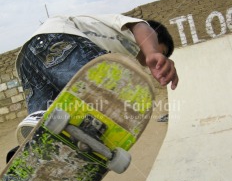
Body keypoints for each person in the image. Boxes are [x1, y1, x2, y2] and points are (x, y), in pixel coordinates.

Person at [16, 14, 179, 114]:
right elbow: (141, 25)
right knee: (120, 91)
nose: (160, 60)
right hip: (58, 39)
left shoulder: (124, 53)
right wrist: (152, 52)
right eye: (162, 52)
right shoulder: (133, 30)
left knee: (45, 121)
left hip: (27, 61)